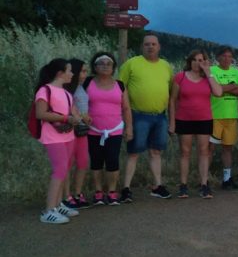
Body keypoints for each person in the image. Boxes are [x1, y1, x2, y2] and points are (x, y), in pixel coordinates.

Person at [119, 33, 174, 201]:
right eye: (147, 44)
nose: (150, 47)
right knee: (134, 153)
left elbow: (170, 91)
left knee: (156, 152)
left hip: (160, 116)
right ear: (142, 46)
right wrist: (126, 118)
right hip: (138, 115)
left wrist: (171, 119)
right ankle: (126, 189)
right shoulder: (131, 64)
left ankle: (158, 186)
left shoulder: (166, 66)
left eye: (153, 44)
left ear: (159, 47)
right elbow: (120, 88)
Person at [169, 50, 223, 199]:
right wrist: (172, 122)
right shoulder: (180, 77)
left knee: (204, 151)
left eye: (201, 60)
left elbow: (218, 93)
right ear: (189, 61)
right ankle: (183, 185)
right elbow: (172, 100)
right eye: (194, 60)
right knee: (185, 152)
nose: (197, 63)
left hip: (204, 119)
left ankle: (204, 185)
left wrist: (208, 72)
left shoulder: (208, 78)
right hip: (184, 119)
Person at [34, 59, 82, 224]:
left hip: (68, 135)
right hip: (52, 137)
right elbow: (40, 114)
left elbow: (74, 112)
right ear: (60, 73)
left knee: (65, 169)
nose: (72, 74)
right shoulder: (45, 90)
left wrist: (77, 117)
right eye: (69, 70)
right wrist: (66, 118)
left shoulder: (66, 93)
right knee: (60, 170)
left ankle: (57, 204)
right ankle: (48, 211)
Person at [85, 52, 132, 206]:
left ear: (113, 68)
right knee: (96, 161)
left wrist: (129, 128)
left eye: (108, 64)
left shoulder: (120, 85)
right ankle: (98, 192)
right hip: (93, 130)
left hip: (115, 130)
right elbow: (77, 102)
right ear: (95, 67)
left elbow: (126, 108)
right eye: (101, 63)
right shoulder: (87, 83)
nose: (105, 66)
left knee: (112, 160)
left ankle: (112, 191)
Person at [209, 46, 238, 189]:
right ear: (218, 57)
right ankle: (204, 180)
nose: (227, 59)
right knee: (210, 148)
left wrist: (223, 88)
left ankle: (227, 179)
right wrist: (232, 87)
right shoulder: (212, 70)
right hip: (215, 116)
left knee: (228, 148)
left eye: (229, 56)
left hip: (232, 116)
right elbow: (214, 89)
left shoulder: (236, 72)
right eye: (224, 56)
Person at [61, 58, 91, 209]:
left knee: (82, 162)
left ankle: (78, 194)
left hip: (82, 130)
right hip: (69, 130)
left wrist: (86, 118)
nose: (85, 74)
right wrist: (80, 115)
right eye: (82, 71)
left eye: (86, 71)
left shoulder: (81, 87)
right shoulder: (66, 89)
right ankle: (67, 196)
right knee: (68, 163)